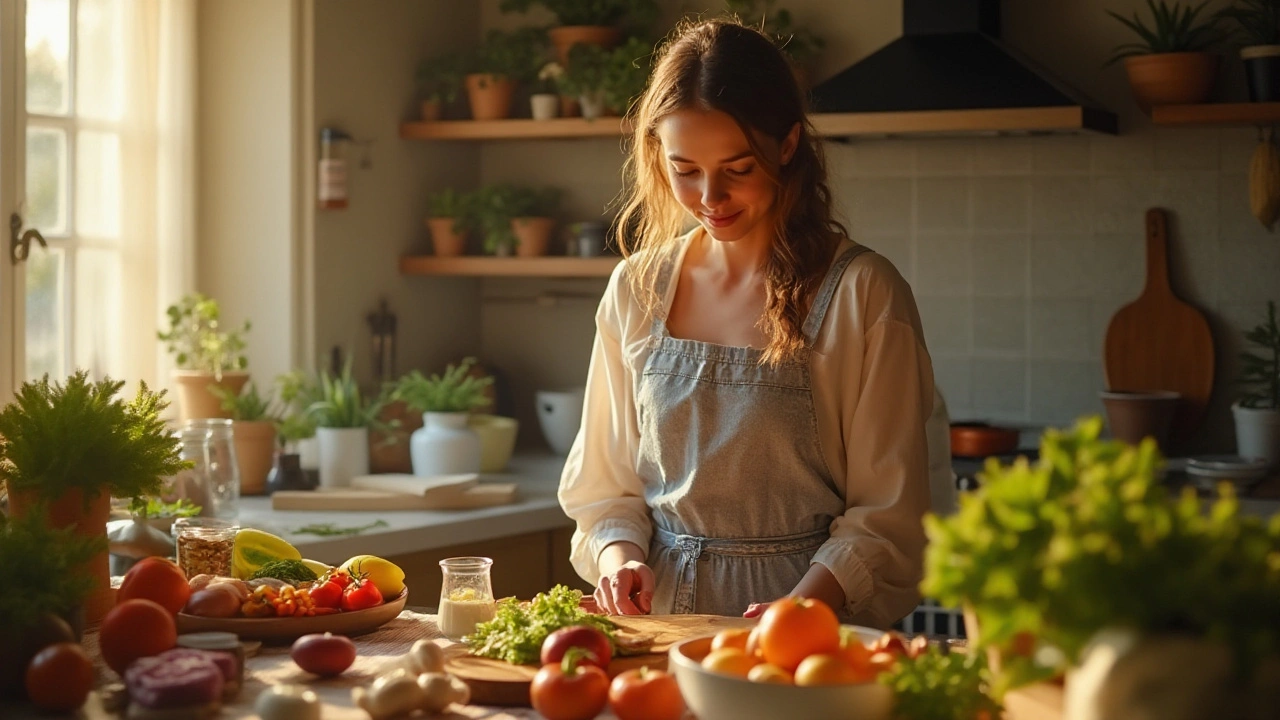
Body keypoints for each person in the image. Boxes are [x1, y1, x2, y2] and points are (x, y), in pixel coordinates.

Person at [557, 18, 948, 629]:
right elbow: (608, 488)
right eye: (685, 170)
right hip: (660, 628)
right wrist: (619, 559)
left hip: (809, 633)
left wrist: (799, 611)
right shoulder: (635, 290)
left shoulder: (863, 293)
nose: (710, 196)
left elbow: (887, 514)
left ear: (787, 146)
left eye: (737, 168)